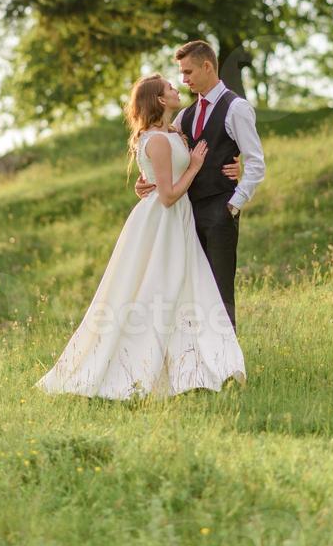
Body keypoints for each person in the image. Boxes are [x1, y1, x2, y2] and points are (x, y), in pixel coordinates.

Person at [33, 72, 247, 400]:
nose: (178, 88)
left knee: (185, 289)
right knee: (155, 290)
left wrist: (233, 166)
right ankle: (137, 368)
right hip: (163, 220)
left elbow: (163, 177)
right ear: (160, 100)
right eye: (170, 88)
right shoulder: (158, 139)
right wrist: (192, 166)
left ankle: (196, 366)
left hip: (176, 221)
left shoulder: (173, 131)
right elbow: (168, 195)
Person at [135, 40, 266, 332]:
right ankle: (196, 357)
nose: (184, 80)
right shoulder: (185, 115)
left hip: (220, 211)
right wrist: (146, 180)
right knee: (193, 290)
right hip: (186, 213)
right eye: (181, 74)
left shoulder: (237, 108)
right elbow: (164, 153)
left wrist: (233, 204)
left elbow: (257, 162)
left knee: (220, 291)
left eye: (188, 72)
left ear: (207, 66)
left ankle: (226, 362)